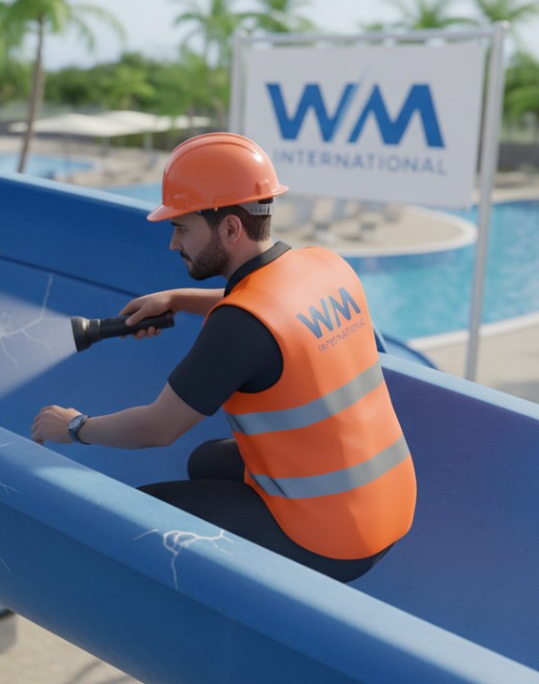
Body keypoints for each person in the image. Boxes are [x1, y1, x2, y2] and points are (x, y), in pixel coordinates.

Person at [31, 132, 416, 582]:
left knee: (134, 516)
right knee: (206, 463)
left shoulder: (239, 327)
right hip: (388, 499)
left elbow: (157, 428)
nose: (174, 244)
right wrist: (177, 297)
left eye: (182, 228)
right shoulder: (325, 266)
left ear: (231, 227)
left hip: (336, 540)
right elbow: (272, 311)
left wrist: (76, 427)